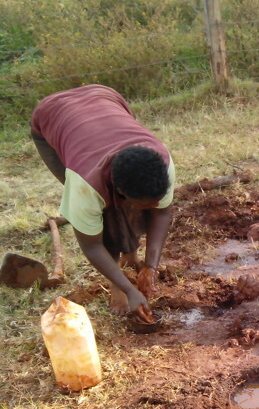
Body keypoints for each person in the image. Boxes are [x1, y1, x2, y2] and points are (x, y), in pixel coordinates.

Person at [31, 84, 175, 319]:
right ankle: (117, 285)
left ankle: (132, 257)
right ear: (120, 189)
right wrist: (129, 290)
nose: (151, 208)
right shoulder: (85, 185)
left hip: (104, 97)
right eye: (145, 204)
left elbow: (161, 213)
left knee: (130, 206)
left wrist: (151, 266)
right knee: (106, 213)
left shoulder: (162, 164)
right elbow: (92, 245)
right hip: (52, 115)